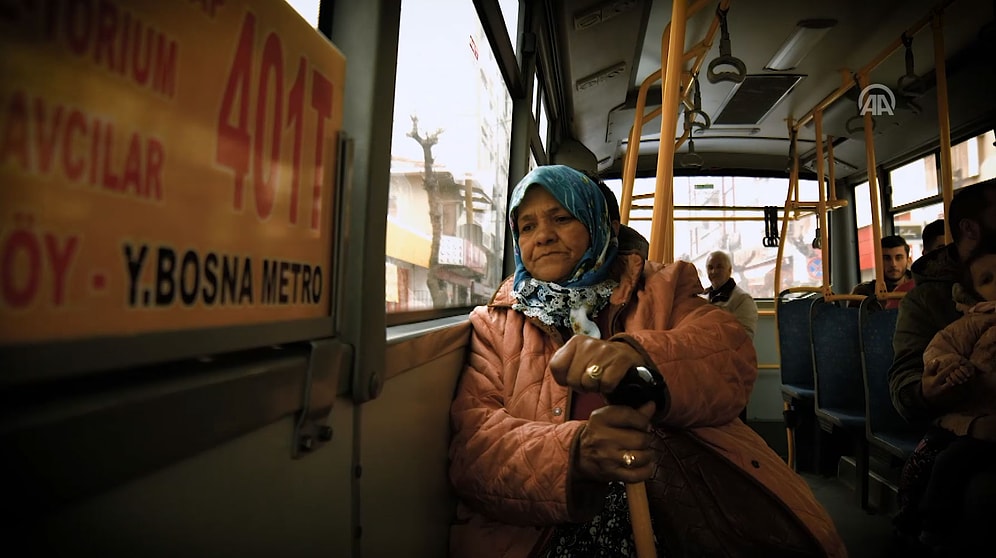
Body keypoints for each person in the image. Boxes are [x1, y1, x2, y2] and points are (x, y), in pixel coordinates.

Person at [448, 165, 845, 558]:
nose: (544, 236)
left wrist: (637, 358)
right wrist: (576, 452)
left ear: (600, 224)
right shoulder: (496, 323)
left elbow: (730, 356)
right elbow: (476, 447)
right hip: (546, 524)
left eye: (562, 217)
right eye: (527, 226)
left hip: (673, 493)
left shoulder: (663, 288)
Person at [888, 177, 996, 554]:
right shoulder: (927, 301)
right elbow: (904, 386)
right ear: (971, 228)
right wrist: (929, 388)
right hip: (967, 424)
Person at [915, 239, 996, 548]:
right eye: (987, 281)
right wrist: (953, 367)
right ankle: (931, 524)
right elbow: (939, 351)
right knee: (952, 458)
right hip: (977, 412)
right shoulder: (973, 321)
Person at [704, 251, 758, 339]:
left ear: (729, 270)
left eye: (719, 267)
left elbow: (744, 338)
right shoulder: (702, 297)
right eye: (710, 268)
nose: (714, 271)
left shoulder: (743, 299)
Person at [848, 235, 913, 309]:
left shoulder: (919, 288)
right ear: (878, 261)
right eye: (886, 258)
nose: (893, 264)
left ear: (908, 260)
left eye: (899, 258)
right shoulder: (862, 294)